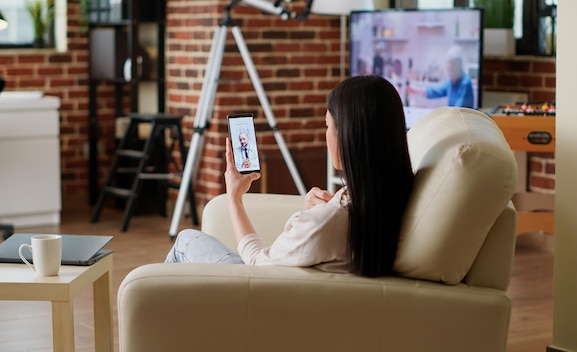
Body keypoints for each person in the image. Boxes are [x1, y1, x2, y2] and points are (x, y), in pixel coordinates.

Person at [165, 75, 414, 278]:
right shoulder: (395, 196)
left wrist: (234, 197)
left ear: (348, 137)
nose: (325, 134)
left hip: (259, 295)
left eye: (328, 125)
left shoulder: (327, 222)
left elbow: (256, 263)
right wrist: (320, 209)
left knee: (186, 241)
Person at [408, 45, 474, 108]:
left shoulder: (465, 83)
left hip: (462, 119)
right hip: (454, 117)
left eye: (451, 65)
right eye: (448, 63)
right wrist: (415, 90)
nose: (448, 67)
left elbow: (459, 110)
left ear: (458, 65)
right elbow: (436, 91)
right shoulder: (451, 82)